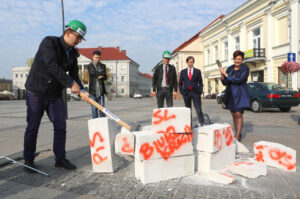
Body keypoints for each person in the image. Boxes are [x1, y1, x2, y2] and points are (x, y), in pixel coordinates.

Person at [23, 20, 89, 172]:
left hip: (54, 94)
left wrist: (83, 91)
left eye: (80, 39)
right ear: (68, 32)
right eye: (77, 37)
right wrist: (70, 84)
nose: (78, 42)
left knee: (60, 125)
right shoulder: (49, 42)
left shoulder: (73, 54)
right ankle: (28, 159)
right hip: (37, 90)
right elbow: (51, 66)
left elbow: (74, 76)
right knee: (32, 127)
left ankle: (60, 159)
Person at [219, 50, 250, 141]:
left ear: (242, 60)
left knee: (238, 114)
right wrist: (222, 75)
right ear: (233, 59)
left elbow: (239, 80)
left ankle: (237, 135)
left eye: (239, 59)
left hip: (240, 94)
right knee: (233, 114)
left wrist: (226, 74)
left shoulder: (245, 68)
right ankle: (237, 132)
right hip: (230, 94)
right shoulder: (230, 68)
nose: (237, 61)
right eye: (236, 59)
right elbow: (225, 82)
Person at [179, 56, 204, 126]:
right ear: (187, 63)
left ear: (193, 62)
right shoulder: (183, 72)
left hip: (195, 93)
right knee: (188, 110)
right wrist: (182, 92)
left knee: (198, 109)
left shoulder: (197, 71)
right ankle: (189, 124)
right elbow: (180, 83)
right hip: (186, 93)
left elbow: (201, 83)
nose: (190, 64)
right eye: (189, 62)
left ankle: (201, 123)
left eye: (191, 62)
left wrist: (200, 91)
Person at [88, 50, 107, 118]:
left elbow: (105, 76)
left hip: (101, 91)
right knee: (94, 109)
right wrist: (101, 74)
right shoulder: (90, 66)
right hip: (93, 92)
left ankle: (102, 124)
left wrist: (102, 76)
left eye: (99, 58)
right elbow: (92, 73)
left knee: (102, 109)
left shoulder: (103, 66)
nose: (97, 59)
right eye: (96, 57)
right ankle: (95, 125)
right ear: (92, 57)